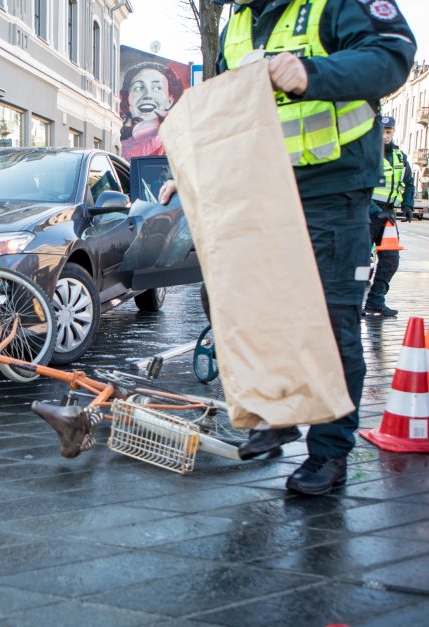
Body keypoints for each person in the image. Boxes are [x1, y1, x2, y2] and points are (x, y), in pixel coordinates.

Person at [159, 0, 415, 495]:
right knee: (243, 307)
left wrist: (311, 72)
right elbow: (223, 110)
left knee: (331, 320)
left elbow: (392, 56)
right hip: (257, 184)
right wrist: (188, 171)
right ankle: (274, 415)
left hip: (331, 187)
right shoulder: (237, 21)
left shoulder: (335, 5)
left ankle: (328, 453)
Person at [363, 115, 414, 317]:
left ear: (393, 132)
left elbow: (408, 183)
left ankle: (375, 301)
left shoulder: (400, 157)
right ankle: (351, 304)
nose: (384, 136)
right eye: (381, 131)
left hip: (389, 218)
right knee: (359, 262)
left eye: (388, 132)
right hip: (367, 213)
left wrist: (408, 205)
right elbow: (360, 186)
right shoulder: (366, 154)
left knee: (390, 261)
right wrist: (376, 210)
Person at [119, 62, 185, 159]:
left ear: (170, 101)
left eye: (157, 88)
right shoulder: (119, 147)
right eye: (138, 88)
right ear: (127, 99)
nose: (147, 95)